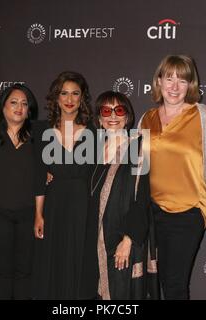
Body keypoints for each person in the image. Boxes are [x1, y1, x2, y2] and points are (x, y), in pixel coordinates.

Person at [139, 54, 206, 299]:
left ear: (190, 85)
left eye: (181, 80)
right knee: (155, 282)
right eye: (168, 78)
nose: (174, 86)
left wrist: (203, 196)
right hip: (151, 212)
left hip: (188, 211)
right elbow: (136, 167)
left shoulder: (203, 115)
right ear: (158, 81)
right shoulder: (146, 118)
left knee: (175, 285)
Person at [80, 91, 150, 300]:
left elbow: (142, 198)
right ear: (99, 118)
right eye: (106, 111)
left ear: (127, 117)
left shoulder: (139, 147)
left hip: (121, 237)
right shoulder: (92, 149)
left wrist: (127, 240)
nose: (113, 116)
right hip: (93, 238)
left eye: (119, 110)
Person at [33, 71, 94, 299]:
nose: (69, 99)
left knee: (79, 259)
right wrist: (39, 214)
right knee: (53, 258)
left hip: (83, 205)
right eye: (64, 93)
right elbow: (38, 175)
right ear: (56, 98)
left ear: (82, 98)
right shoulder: (41, 130)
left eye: (75, 93)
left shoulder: (94, 130)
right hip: (54, 204)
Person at [0, 84, 45, 299]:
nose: (19, 107)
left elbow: (44, 174)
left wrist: (39, 213)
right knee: (3, 272)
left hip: (28, 215)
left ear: (29, 109)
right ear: (3, 107)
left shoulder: (39, 134)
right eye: (14, 102)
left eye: (24, 103)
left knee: (24, 273)